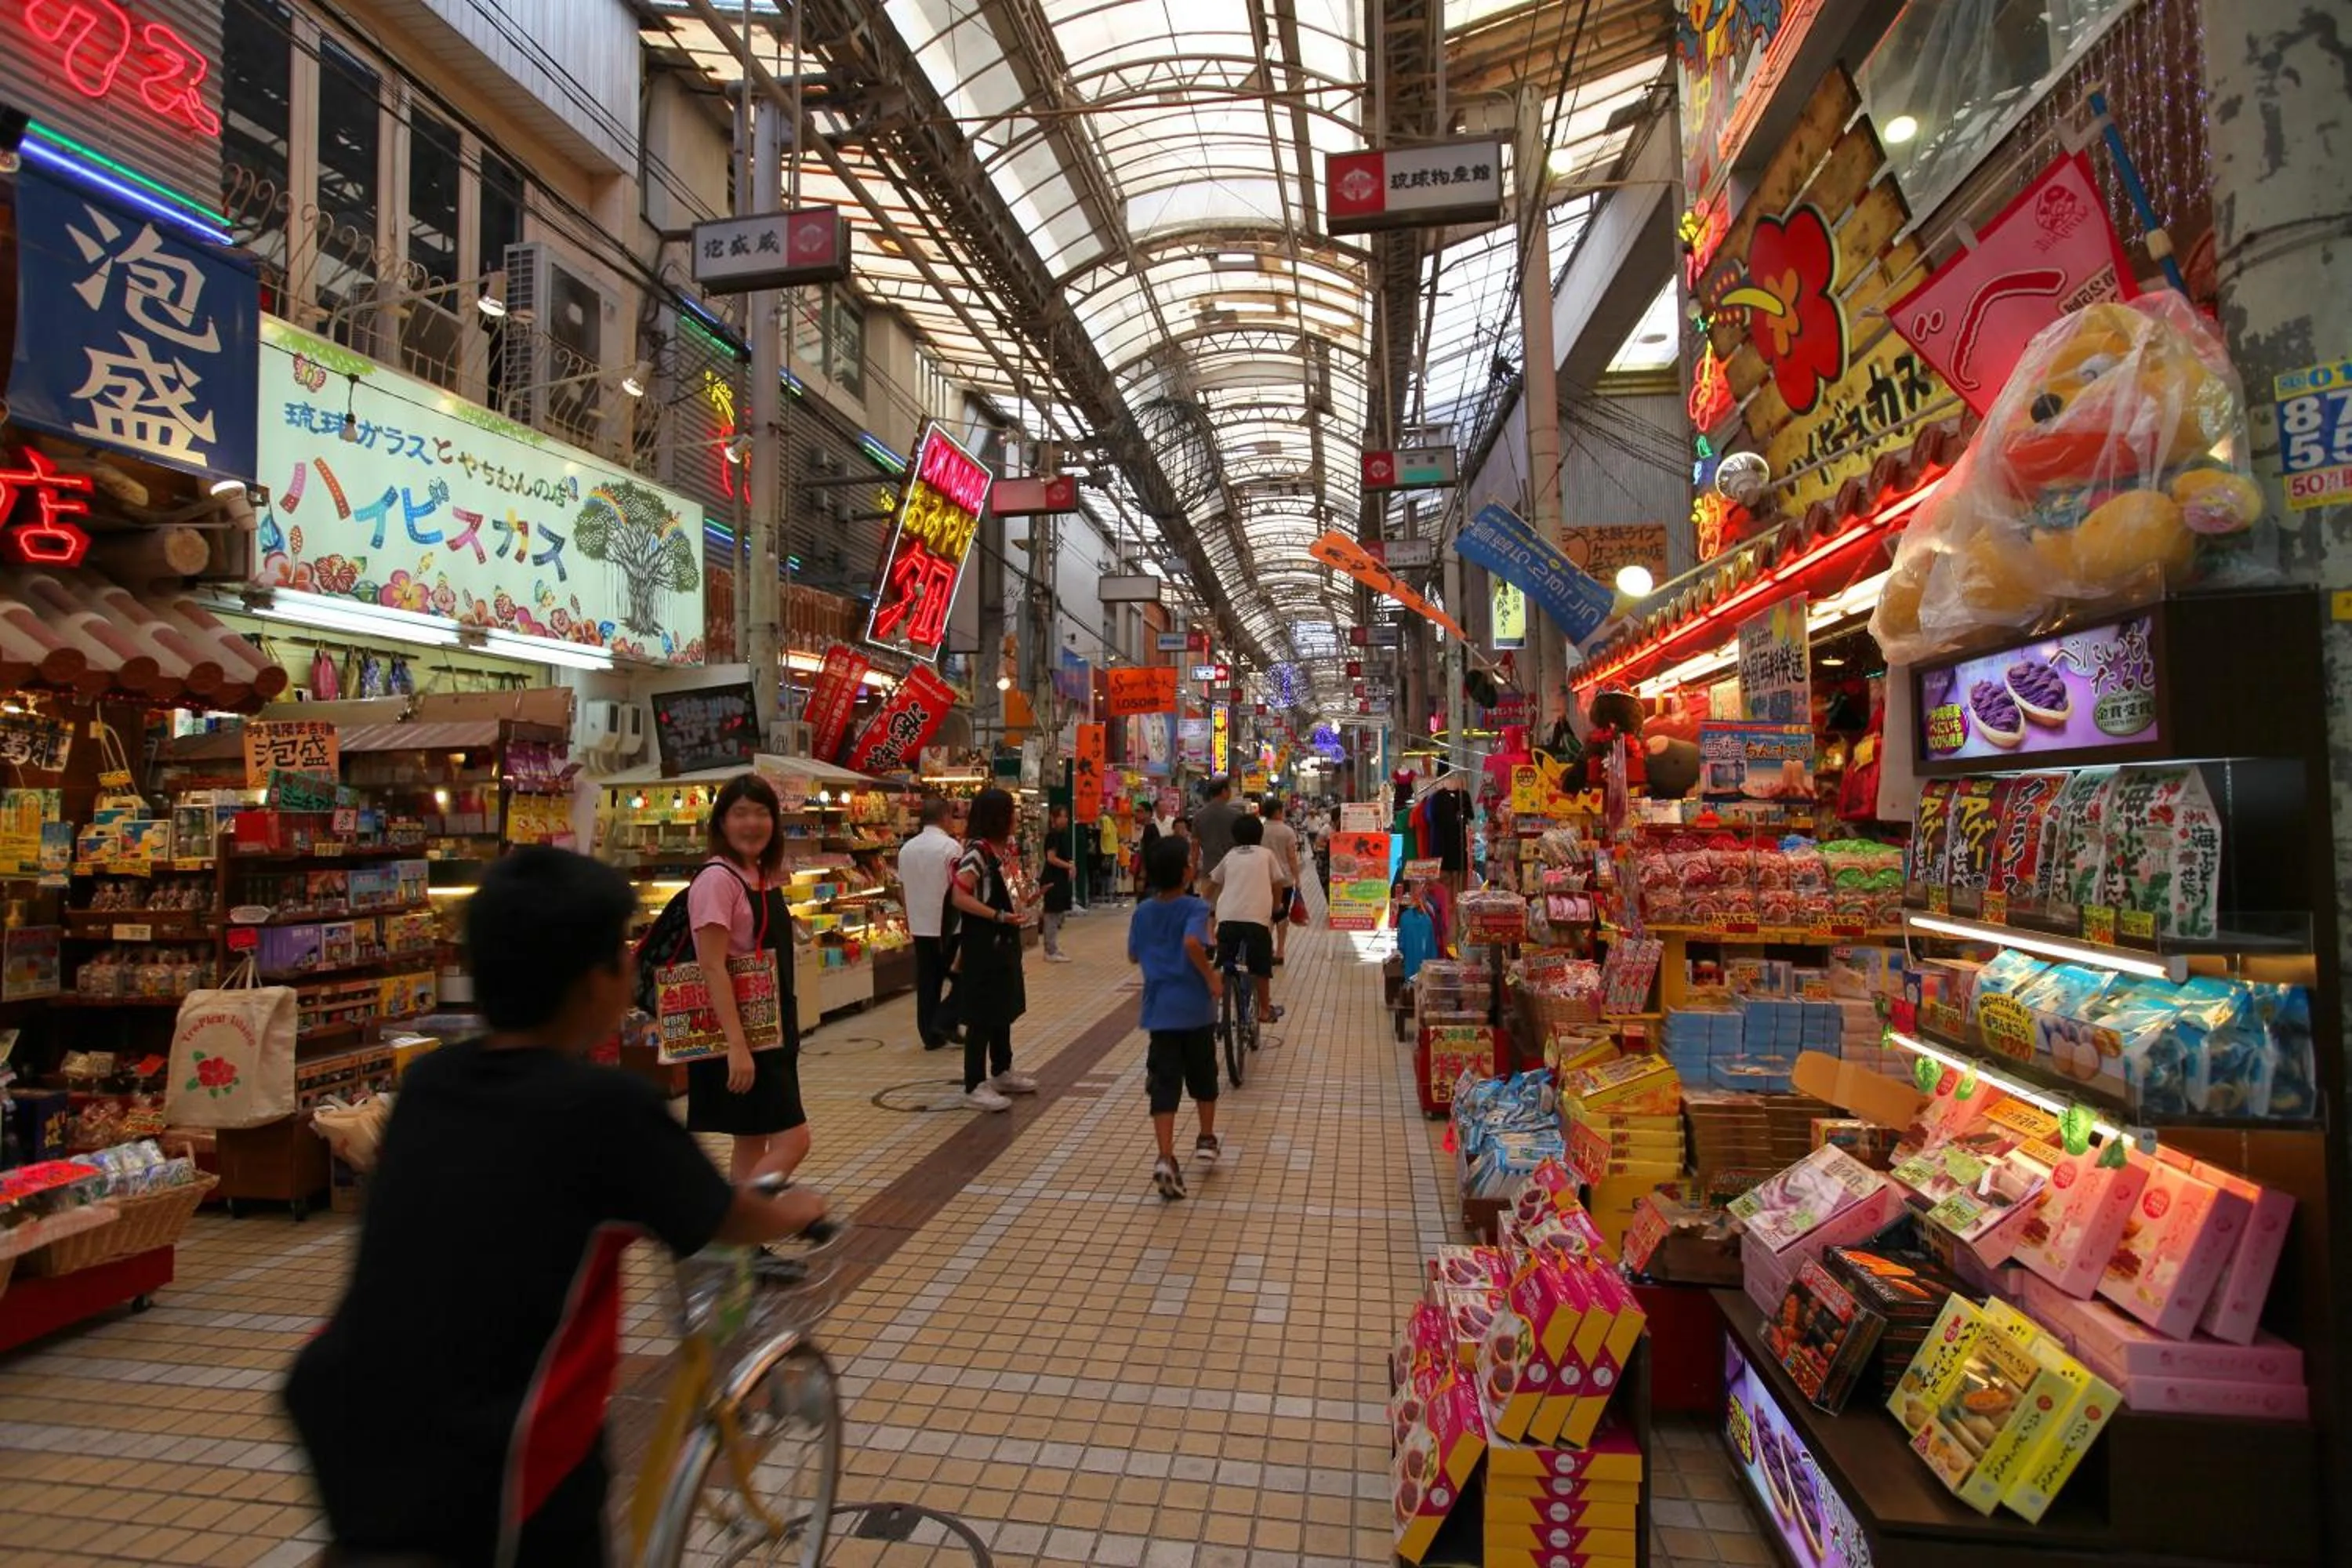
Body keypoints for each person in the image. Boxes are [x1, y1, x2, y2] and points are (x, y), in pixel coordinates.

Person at [284, 848, 826, 1567]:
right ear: (596, 983)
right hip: (500, 1452)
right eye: (622, 954)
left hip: (343, 1408)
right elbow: (723, 1220)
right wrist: (798, 1209)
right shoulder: (604, 1108)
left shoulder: (431, 1083)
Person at [685, 773, 809, 1182]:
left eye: (761, 813)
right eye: (740, 814)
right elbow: (711, 965)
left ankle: (744, 1244)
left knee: (752, 1140)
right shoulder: (717, 880)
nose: (752, 823)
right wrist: (737, 1048)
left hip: (770, 1027)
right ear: (721, 822)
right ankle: (734, 1225)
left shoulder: (759, 874)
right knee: (794, 1141)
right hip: (743, 1035)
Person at [1127, 834, 1221, 1199]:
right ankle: (1206, 1138)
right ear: (1186, 872)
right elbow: (1192, 943)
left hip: (1159, 1011)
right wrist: (1211, 977)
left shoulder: (1143, 912)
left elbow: (1134, 956)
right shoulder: (1195, 909)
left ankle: (1166, 1157)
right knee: (1203, 1077)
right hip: (1195, 1009)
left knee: (1165, 1085)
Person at [949, 786, 1040, 1112]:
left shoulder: (1003, 851)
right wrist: (998, 915)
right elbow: (960, 896)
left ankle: (1002, 1070)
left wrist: (1025, 901)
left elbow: (1001, 894)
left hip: (1004, 941)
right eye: (1010, 812)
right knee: (982, 1013)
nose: (1016, 817)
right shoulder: (977, 851)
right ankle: (974, 1084)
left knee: (1003, 1006)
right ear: (998, 817)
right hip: (984, 944)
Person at [898, 795, 964, 1051]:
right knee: (958, 975)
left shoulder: (906, 850)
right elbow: (959, 888)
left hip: (919, 923)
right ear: (945, 816)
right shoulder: (951, 848)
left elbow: (903, 889)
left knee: (927, 979)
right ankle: (947, 1021)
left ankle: (929, 1033)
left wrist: (908, 916)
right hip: (947, 924)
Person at [1210, 811, 1289, 1025]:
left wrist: (1204, 903)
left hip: (1227, 918)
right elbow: (1278, 882)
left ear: (1235, 836)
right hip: (1256, 921)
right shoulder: (1266, 855)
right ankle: (1264, 1010)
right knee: (1261, 968)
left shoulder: (1230, 855)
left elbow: (1213, 881)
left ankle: (1213, 1011)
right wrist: (1276, 906)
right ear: (1259, 834)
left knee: (1222, 963)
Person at [1259, 795, 1303, 965]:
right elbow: (1292, 857)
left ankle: (1266, 948)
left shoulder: (1260, 829)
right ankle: (1280, 951)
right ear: (1278, 812)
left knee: (1266, 914)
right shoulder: (1287, 831)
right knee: (1282, 914)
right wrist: (1297, 878)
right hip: (1284, 879)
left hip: (1263, 878)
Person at [1192, 775, 1242, 895]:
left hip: (1209, 869)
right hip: (1231, 871)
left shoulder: (1199, 815)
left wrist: (1193, 869)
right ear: (1224, 791)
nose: (1230, 793)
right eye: (1229, 790)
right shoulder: (1236, 815)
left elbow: (1195, 846)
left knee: (1209, 909)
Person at [1040, 803, 1077, 963]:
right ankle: (1050, 950)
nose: (1065, 819)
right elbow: (1051, 858)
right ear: (1053, 818)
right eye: (1061, 816)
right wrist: (1069, 866)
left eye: (1066, 816)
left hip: (1059, 878)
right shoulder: (1053, 836)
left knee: (1057, 914)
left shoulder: (1062, 835)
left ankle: (1053, 946)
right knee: (1052, 914)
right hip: (1052, 879)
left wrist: (1070, 867)